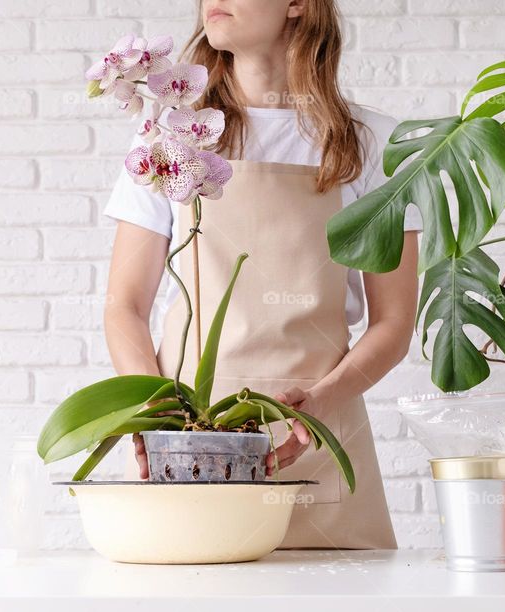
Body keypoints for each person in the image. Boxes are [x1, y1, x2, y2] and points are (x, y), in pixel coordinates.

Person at [102, 0, 419, 549]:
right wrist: (156, 414)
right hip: (186, 442)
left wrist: (320, 404)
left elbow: (393, 322)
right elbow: (124, 305)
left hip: (315, 433)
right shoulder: (167, 137)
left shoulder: (374, 145)